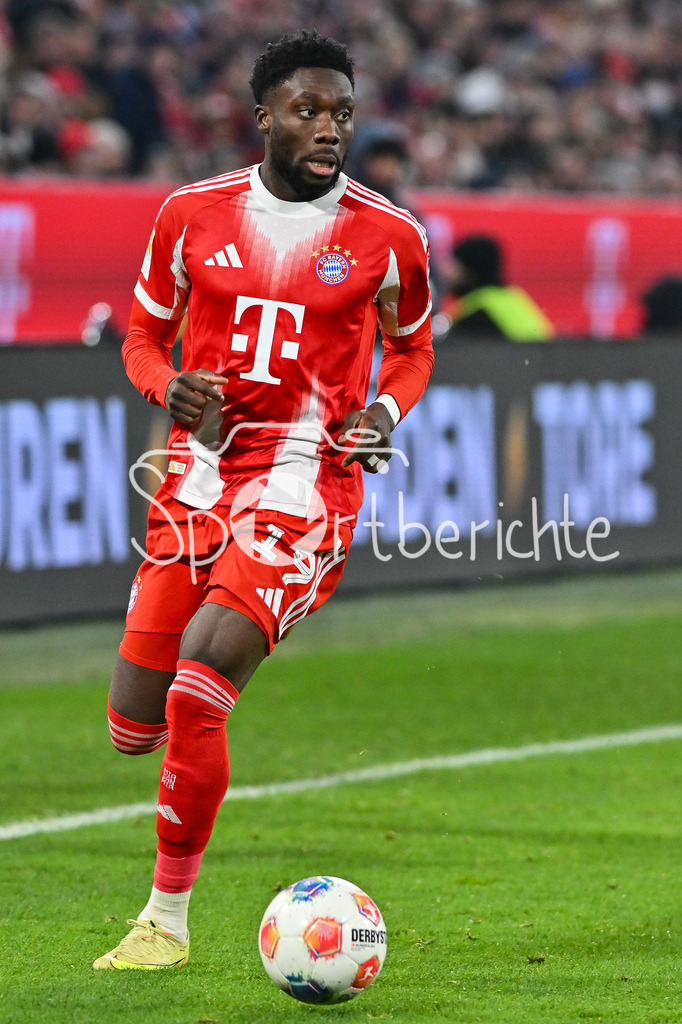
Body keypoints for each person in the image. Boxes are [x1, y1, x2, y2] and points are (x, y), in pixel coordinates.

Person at [93, 30, 433, 971]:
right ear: (264, 118)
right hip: (196, 482)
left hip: (308, 483)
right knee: (134, 726)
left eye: (344, 114)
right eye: (310, 111)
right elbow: (140, 337)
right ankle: (172, 823)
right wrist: (170, 388)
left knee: (201, 691)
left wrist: (384, 411)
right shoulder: (189, 215)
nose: (331, 129)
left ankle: (164, 922)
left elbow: (412, 348)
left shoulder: (388, 236)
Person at [442, 234, 554, 342]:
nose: (446, 271)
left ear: (468, 269)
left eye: (453, 264)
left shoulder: (474, 313)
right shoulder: (514, 297)